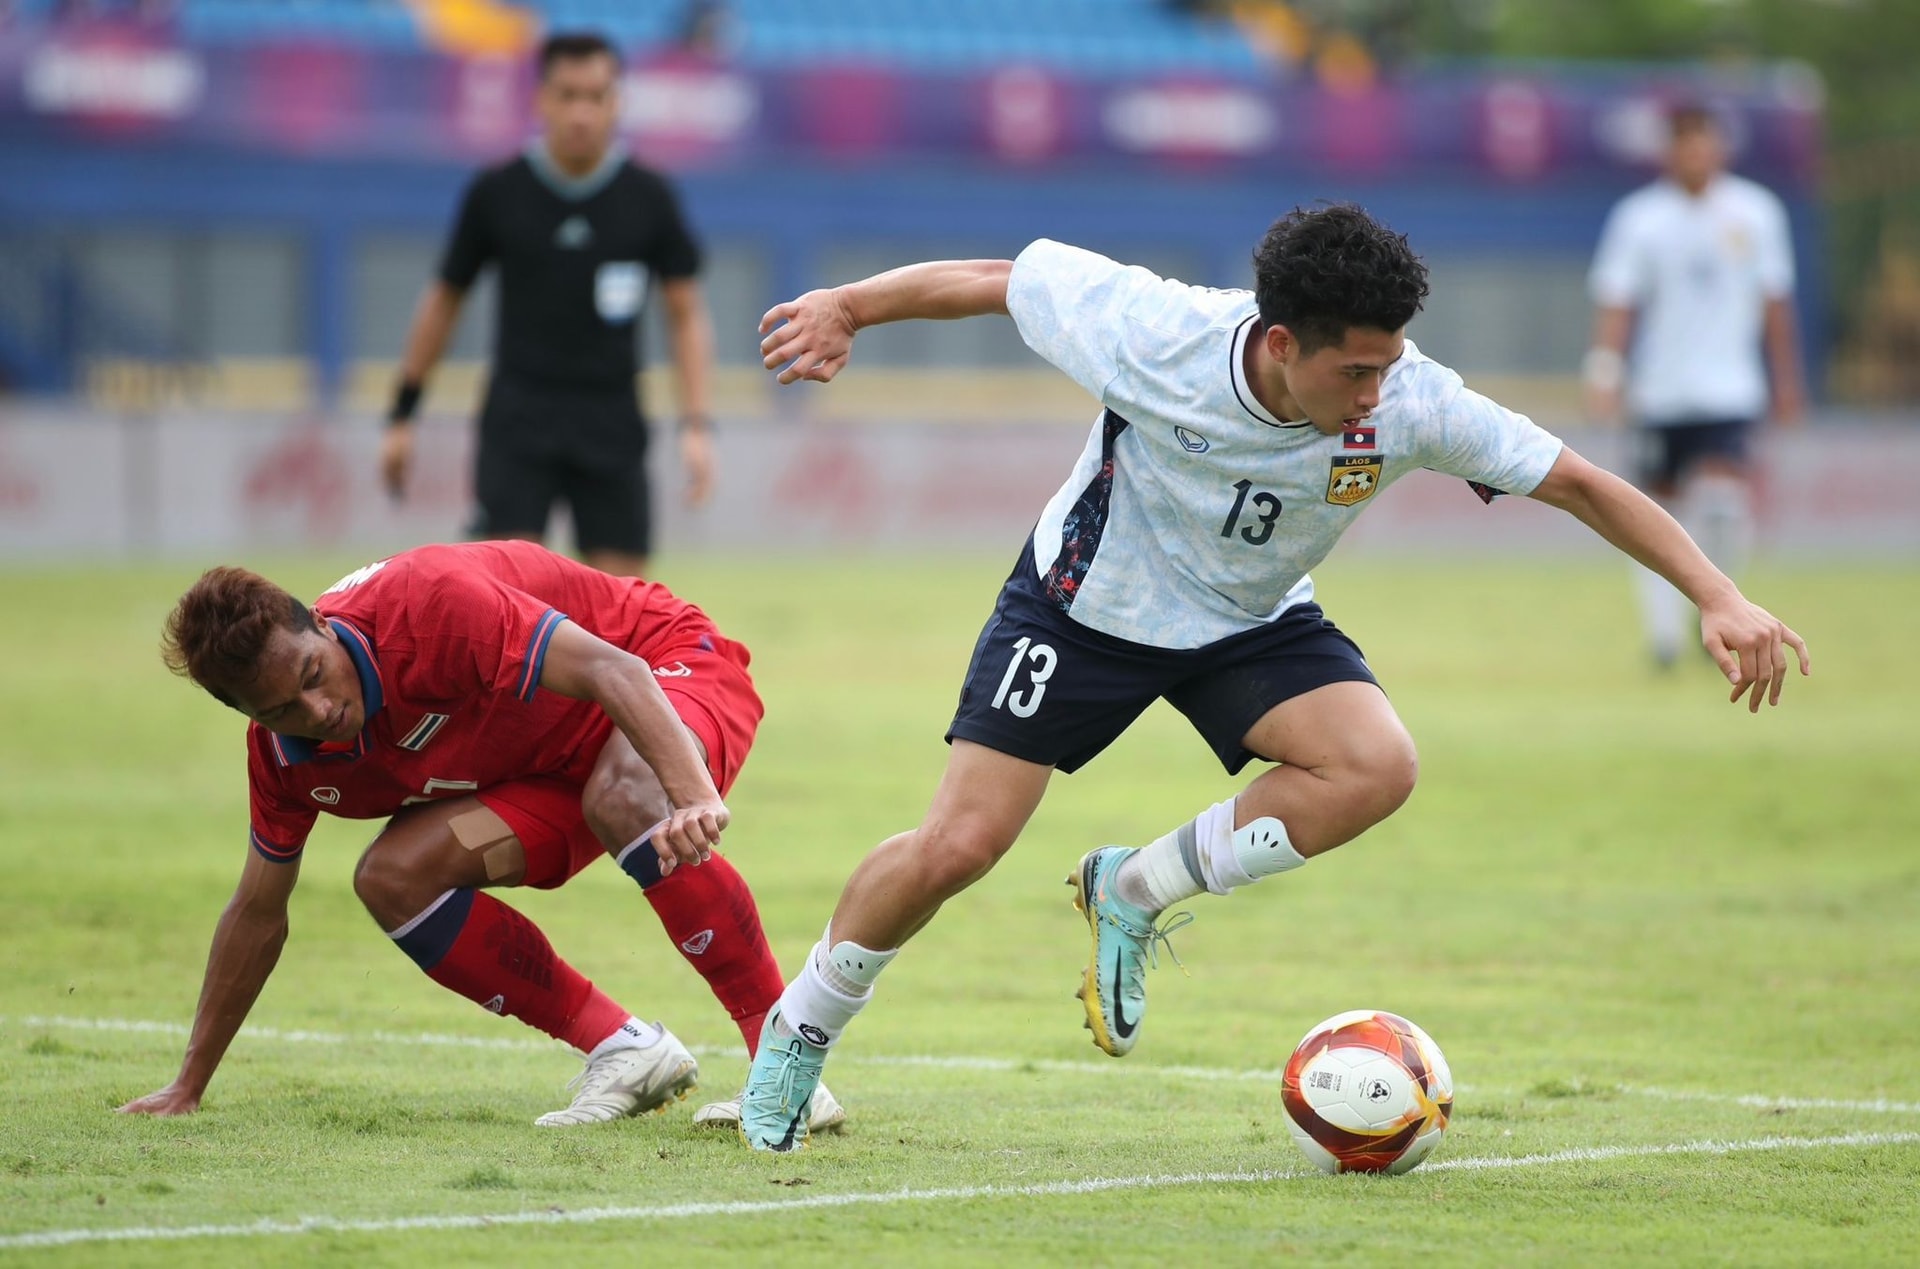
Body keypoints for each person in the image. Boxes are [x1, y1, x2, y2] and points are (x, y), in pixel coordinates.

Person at [732, 203, 1810, 1152]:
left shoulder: (1414, 399)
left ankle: (1135, 887)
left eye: (1390, 365)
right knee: (957, 848)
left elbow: (1576, 481)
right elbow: (996, 280)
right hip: (1082, 608)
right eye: (1355, 371)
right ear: (1282, 342)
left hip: (1247, 620)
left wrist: (1717, 593)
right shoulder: (1157, 331)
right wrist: (848, 308)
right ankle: (802, 1031)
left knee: (1375, 767)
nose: (1377, 392)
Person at [117, 540, 844, 1133]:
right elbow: (258, 909)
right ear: (248, 712)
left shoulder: (426, 606)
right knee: (390, 877)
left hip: (661, 665)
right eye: (283, 708)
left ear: (322, 625)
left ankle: (787, 1077)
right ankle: (628, 1050)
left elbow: (612, 667)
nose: (320, 708)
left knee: (625, 793)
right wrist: (189, 1081)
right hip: (552, 766)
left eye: (315, 673)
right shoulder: (283, 761)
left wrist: (689, 797)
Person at [380, 31, 717, 577]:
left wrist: (697, 425)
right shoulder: (498, 192)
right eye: (567, 95)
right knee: (507, 604)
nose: (582, 112)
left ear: (618, 102)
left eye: (596, 95)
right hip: (519, 417)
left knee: (624, 607)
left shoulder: (649, 198)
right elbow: (445, 299)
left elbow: (686, 313)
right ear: (541, 99)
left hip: (612, 418)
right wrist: (403, 413)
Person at [1586, 102, 1806, 668]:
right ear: (1669, 150)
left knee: (1725, 502)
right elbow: (1618, 301)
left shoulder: (1756, 213)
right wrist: (1605, 370)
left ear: (1719, 148)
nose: (1694, 154)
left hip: (1730, 389)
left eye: (1703, 142)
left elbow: (1775, 301)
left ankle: (1719, 606)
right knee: (1657, 513)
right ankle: (1662, 638)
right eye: (1683, 144)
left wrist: (1787, 378)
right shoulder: (1640, 218)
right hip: (1661, 392)